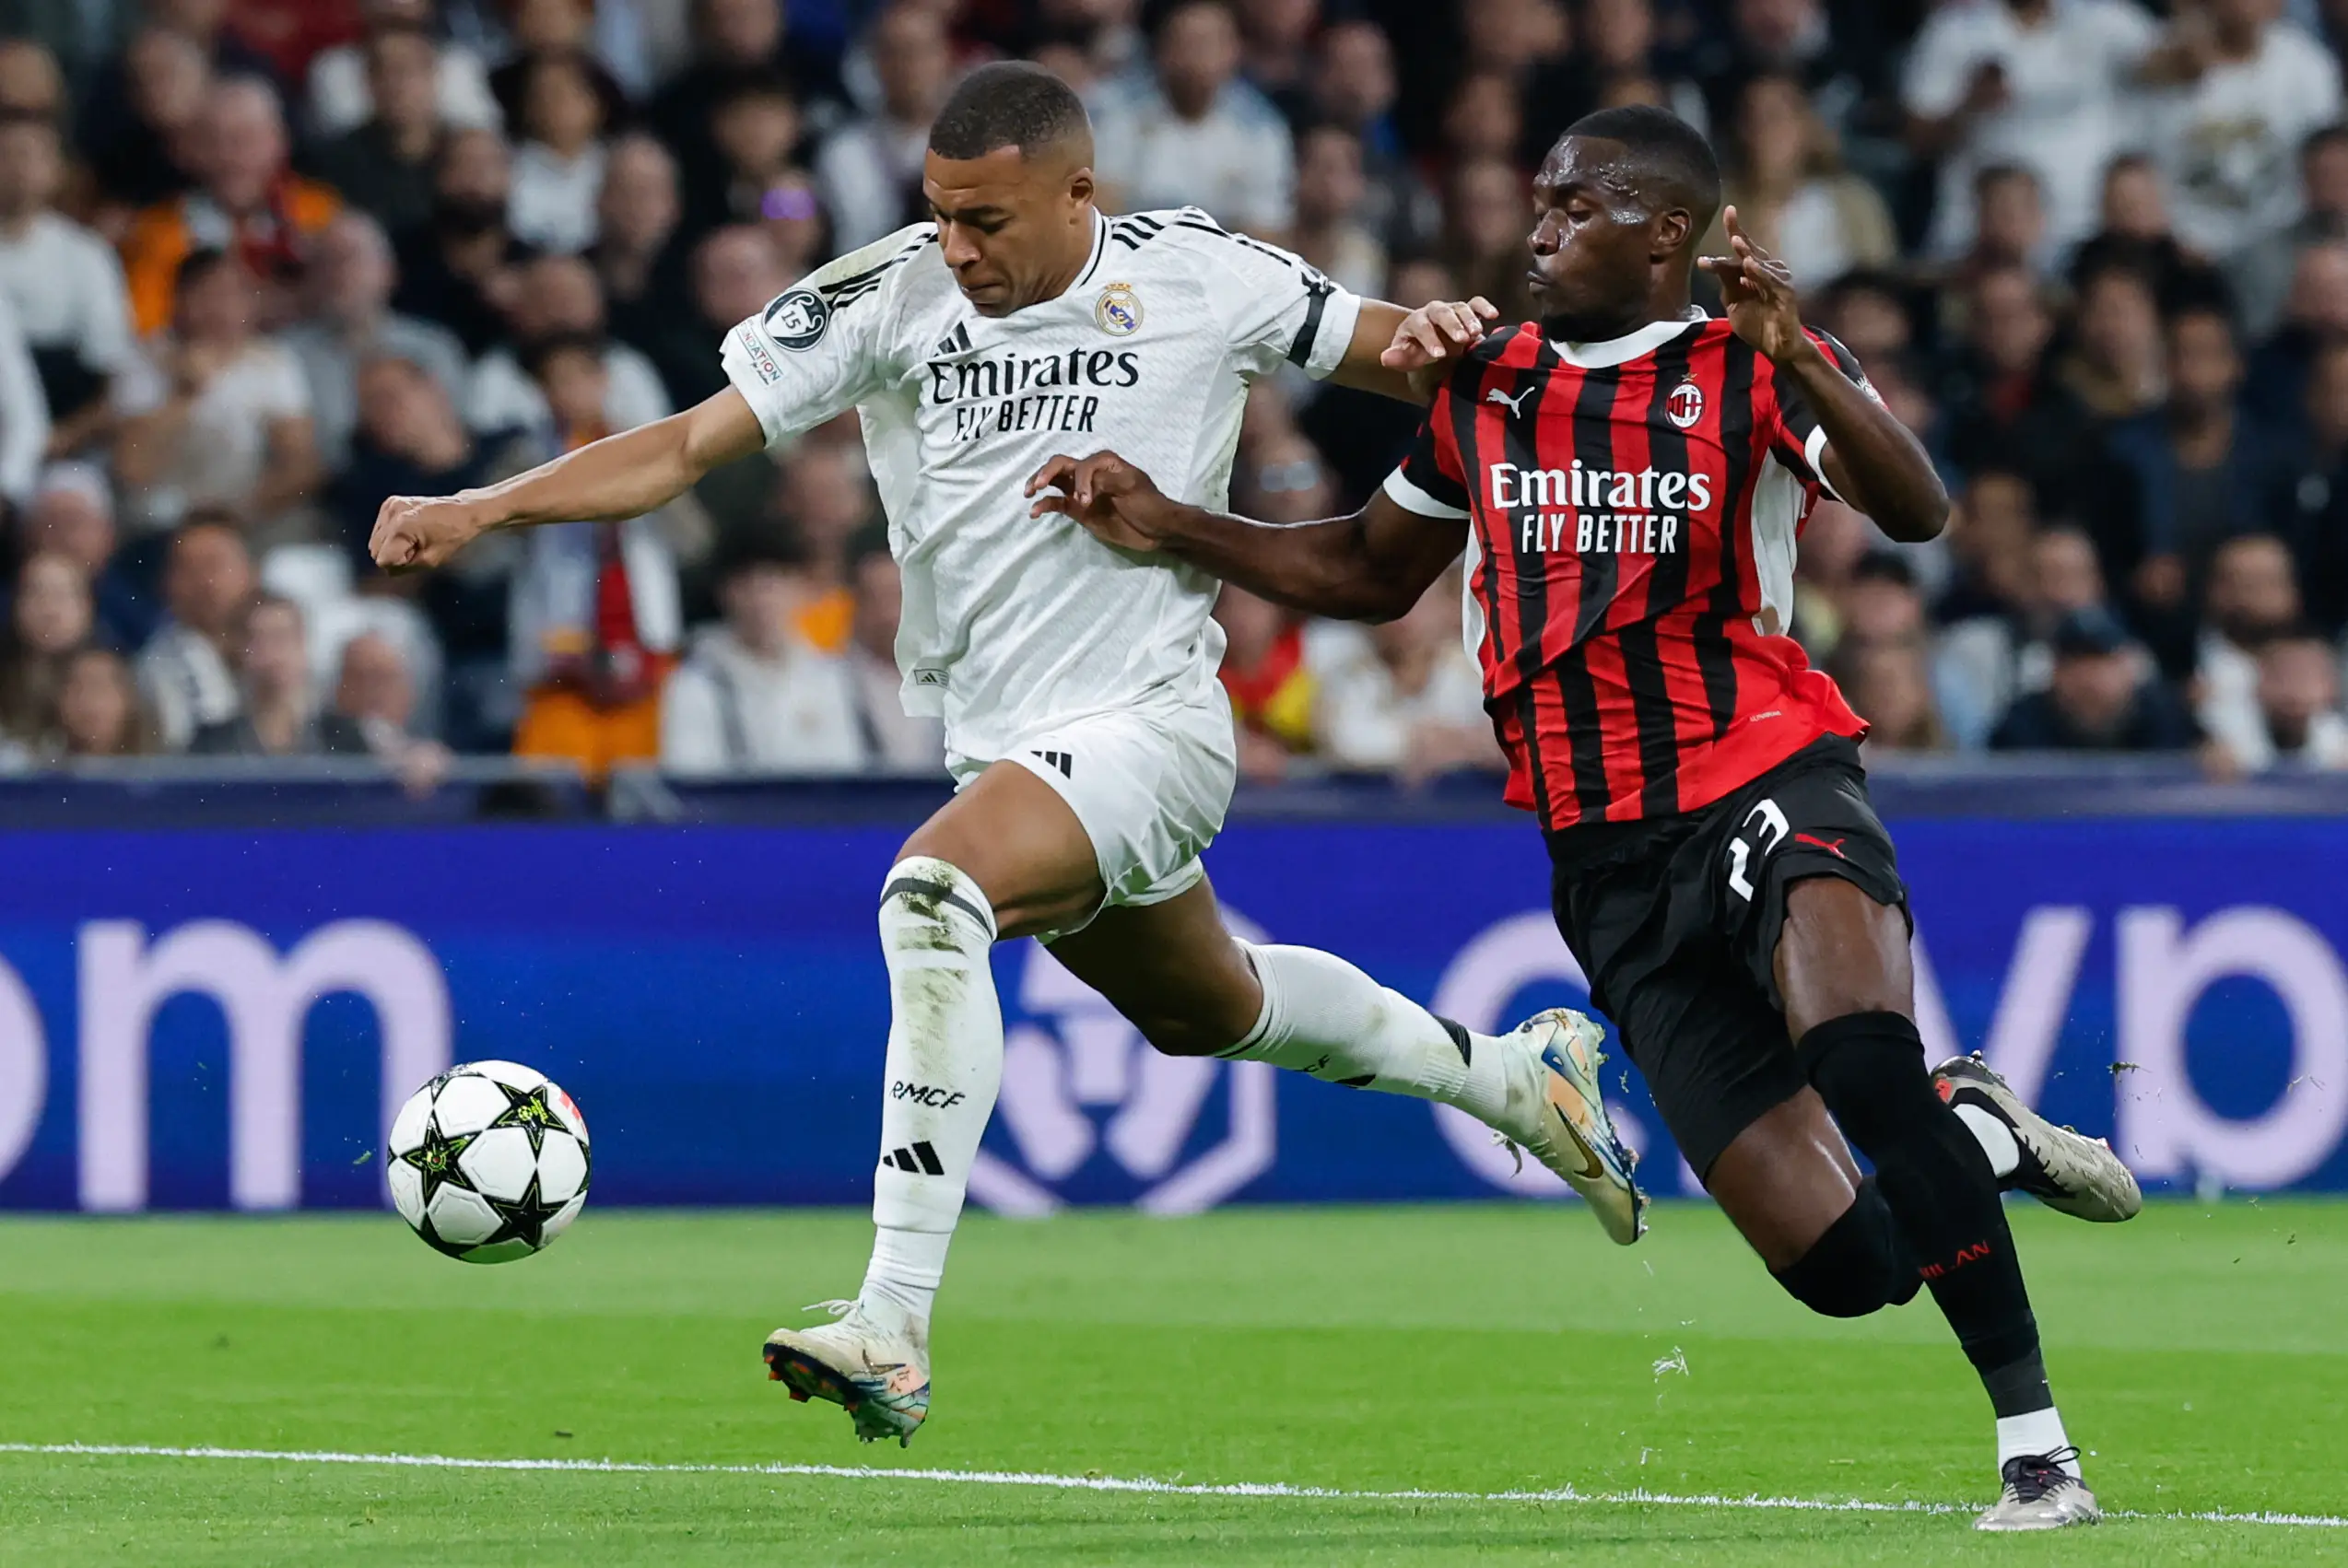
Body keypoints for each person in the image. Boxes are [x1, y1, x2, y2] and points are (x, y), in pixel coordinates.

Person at [368, 61, 1643, 1445]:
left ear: (1078, 192)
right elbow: (682, 446)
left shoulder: (1200, 273)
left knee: (932, 897)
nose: (957, 247)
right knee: (1209, 1007)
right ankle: (1515, 1080)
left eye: (984, 219)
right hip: (1009, 752)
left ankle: (892, 1320)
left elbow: (1398, 350)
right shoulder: (890, 293)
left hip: (1152, 723)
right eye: (940, 214)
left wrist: (1443, 333)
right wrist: (483, 507)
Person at [1029, 105, 2142, 1532]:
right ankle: (1975, 1134)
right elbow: (1371, 570)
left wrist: (1807, 358)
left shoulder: (1750, 362)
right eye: (1539, 202)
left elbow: (1917, 510)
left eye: (1574, 207)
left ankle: (2039, 1455)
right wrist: (1171, 520)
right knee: (1847, 1266)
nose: (1539, 229)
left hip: (1764, 772)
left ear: (1666, 231)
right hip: (1604, 855)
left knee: (1865, 1062)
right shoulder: (1484, 384)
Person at [660, 534, 867, 774]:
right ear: (724, 594)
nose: (761, 601)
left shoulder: (831, 678)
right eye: (747, 587)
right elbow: (690, 776)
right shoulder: (695, 684)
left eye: (774, 584)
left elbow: (848, 769)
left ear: (802, 590)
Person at [190, 591, 370, 755]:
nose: (273, 654)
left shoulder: (343, 737)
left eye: (282, 638)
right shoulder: (212, 743)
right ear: (241, 651)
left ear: (303, 646)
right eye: (259, 641)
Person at [137, 513, 255, 749]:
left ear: (251, 573)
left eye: (215, 565)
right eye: (190, 569)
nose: (205, 582)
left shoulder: (281, 644)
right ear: (168, 583)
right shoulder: (154, 667)